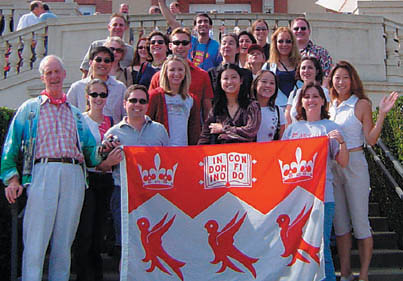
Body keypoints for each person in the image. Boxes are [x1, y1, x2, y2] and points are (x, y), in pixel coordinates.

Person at [1, 55, 103, 281]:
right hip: (43, 172)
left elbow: (90, 154)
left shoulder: (76, 114)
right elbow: (11, 147)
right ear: (42, 77)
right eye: (49, 73)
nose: (54, 77)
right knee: (35, 240)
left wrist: (106, 151)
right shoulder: (29, 109)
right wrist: (12, 179)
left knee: (64, 242)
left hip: (74, 174)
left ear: (65, 75)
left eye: (57, 72)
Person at [328, 61, 398, 281]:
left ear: (353, 80)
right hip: (334, 164)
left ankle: (364, 273)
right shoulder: (330, 105)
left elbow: (371, 139)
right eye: (337, 78)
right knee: (340, 224)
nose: (341, 82)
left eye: (345, 78)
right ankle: (346, 272)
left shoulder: (361, 104)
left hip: (355, 162)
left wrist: (383, 115)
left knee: (360, 222)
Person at [282, 82, 349, 281]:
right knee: (295, 246)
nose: (311, 100)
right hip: (296, 198)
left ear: (323, 101)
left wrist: (342, 143)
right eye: (307, 96)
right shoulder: (292, 130)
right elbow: (281, 160)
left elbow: (343, 162)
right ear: (301, 102)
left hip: (323, 196)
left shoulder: (331, 127)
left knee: (320, 246)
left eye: (315, 96)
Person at [102, 84, 169, 258]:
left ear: (147, 105)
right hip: (123, 193)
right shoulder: (113, 133)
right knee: (125, 243)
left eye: (142, 101)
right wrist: (110, 161)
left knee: (154, 243)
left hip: (153, 194)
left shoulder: (159, 130)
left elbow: (169, 161)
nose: (137, 105)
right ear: (124, 103)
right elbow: (101, 167)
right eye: (133, 100)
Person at [73, 79, 122, 281]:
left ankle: (97, 274)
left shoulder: (111, 122)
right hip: (86, 179)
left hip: (107, 180)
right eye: (94, 95)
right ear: (87, 96)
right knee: (85, 231)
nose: (99, 99)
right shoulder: (80, 121)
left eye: (102, 95)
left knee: (99, 233)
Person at [149, 27, 214, 141]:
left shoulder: (202, 75)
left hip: (188, 139)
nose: (180, 46)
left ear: (190, 46)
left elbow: (207, 111)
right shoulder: (157, 77)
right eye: (176, 43)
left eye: (184, 43)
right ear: (170, 46)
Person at [198, 63, 261, 144]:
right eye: (225, 78)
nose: (230, 82)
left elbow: (250, 132)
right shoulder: (216, 109)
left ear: (241, 80)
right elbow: (205, 136)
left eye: (234, 77)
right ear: (220, 82)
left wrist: (223, 129)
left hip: (246, 155)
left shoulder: (252, 106)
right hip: (221, 155)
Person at [147, 55, 198, 146]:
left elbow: (194, 130)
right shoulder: (155, 96)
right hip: (161, 149)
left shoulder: (191, 99)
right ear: (165, 72)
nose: (176, 73)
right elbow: (146, 122)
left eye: (180, 70)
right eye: (172, 70)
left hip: (183, 150)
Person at [68, 46, 126, 124]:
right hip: (85, 134)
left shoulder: (120, 88)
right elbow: (68, 115)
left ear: (112, 64)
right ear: (90, 62)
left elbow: (126, 115)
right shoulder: (77, 87)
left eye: (107, 61)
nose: (102, 63)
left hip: (112, 134)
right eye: (98, 60)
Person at [80, 13, 134, 78]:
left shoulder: (130, 50)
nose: (118, 27)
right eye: (115, 25)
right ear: (109, 27)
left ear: (125, 28)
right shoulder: (96, 45)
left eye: (121, 25)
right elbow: (85, 70)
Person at [263, 27, 300, 108]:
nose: (284, 44)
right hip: (275, 109)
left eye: (288, 41)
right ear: (275, 43)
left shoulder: (301, 65)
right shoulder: (268, 66)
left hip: (298, 109)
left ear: (293, 43)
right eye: (280, 41)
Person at [208, 33, 253, 98]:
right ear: (220, 49)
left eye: (230, 43)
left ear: (237, 49)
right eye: (224, 43)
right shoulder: (211, 73)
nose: (227, 46)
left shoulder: (246, 74)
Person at [285, 56, 328, 124]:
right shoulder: (294, 93)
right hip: (297, 133)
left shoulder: (324, 92)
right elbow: (288, 119)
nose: (306, 71)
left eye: (310, 68)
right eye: (303, 68)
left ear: (317, 71)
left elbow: (327, 115)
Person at [291, 17, 333, 83]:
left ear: (309, 31)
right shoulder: (286, 52)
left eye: (303, 28)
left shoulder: (321, 52)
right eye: (296, 29)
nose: (299, 31)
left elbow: (327, 76)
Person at [251, 70, 285, 141]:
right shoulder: (246, 109)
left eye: (272, 83)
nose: (268, 85)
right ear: (255, 84)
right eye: (264, 81)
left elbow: (281, 140)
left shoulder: (279, 112)